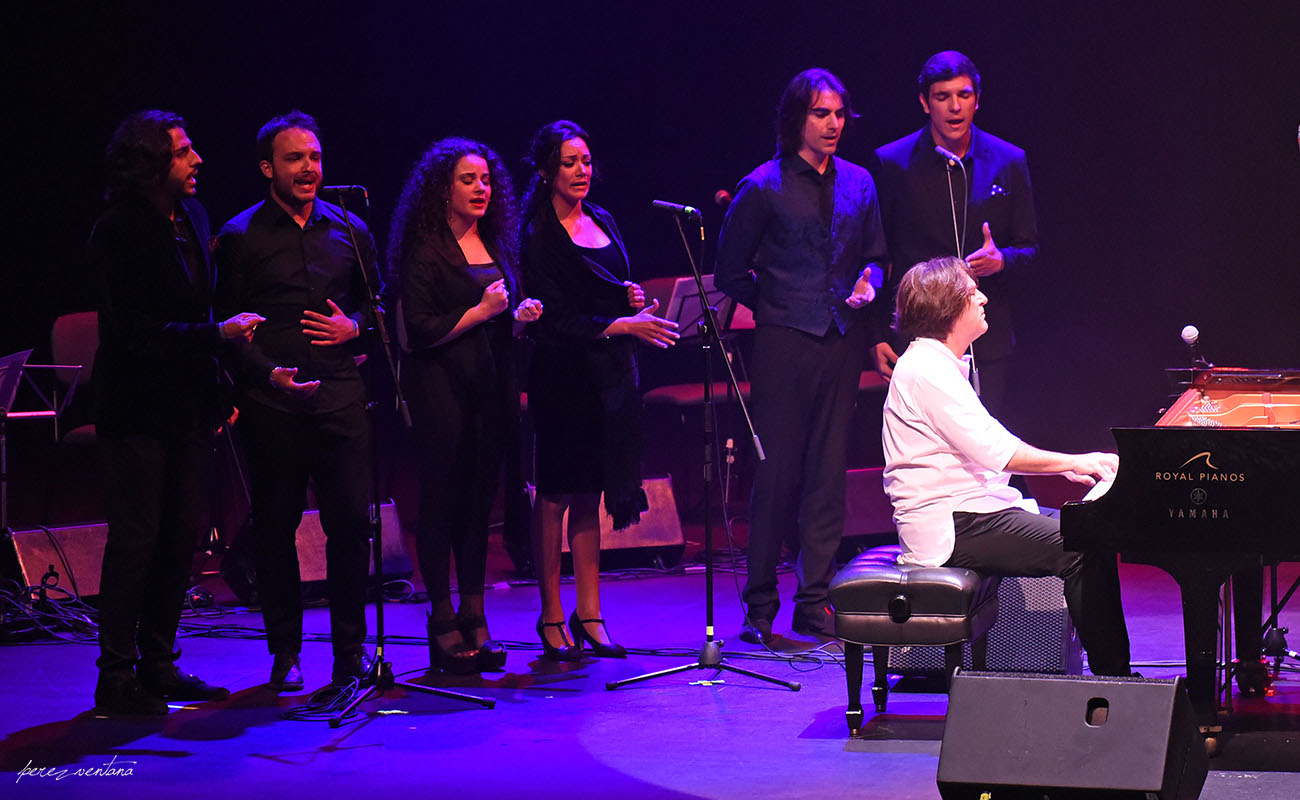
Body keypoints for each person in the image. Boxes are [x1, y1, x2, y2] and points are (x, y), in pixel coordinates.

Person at [882, 256, 1131, 676]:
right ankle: (1115, 681)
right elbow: (997, 451)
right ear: (946, 305)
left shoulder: (937, 365)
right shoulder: (927, 371)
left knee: (1092, 534)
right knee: (1082, 547)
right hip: (952, 524)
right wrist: (1074, 462)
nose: (982, 297)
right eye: (970, 291)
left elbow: (992, 446)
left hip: (972, 512)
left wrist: (1065, 468)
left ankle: (1115, 674)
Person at [90, 110, 262, 714]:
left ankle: (159, 664)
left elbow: (201, 304)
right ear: (151, 164)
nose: (198, 161)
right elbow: (134, 333)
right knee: (137, 539)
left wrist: (219, 389)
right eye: (184, 151)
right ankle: (115, 674)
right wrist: (217, 336)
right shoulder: (119, 229)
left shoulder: (191, 217)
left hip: (188, 407)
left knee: (179, 537)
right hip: (137, 409)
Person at [715, 69, 886, 643]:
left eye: (839, 113)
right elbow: (730, 272)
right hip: (784, 343)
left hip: (840, 341)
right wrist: (778, 304)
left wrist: (869, 281)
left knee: (827, 475)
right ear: (797, 120)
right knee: (778, 471)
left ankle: (814, 599)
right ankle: (760, 603)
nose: (833, 123)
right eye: (821, 113)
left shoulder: (860, 182)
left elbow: (877, 255)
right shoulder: (763, 185)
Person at [215, 111, 379, 690]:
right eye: (294, 158)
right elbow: (225, 330)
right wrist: (268, 376)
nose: (308, 167)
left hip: (340, 396)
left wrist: (354, 328)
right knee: (276, 529)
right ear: (267, 168)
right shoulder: (238, 237)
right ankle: (286, 652)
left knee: (350, 528)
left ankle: (349, 655)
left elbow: (376, 307)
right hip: (273, 405)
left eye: (314, 156)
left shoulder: (351, 230)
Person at [520, 120, 678, 660]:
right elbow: (555, 320)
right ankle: (551, 614)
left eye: (586, 161)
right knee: (557, 494)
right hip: (563, 376)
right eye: (569, 162)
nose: (581, 171)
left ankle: (591, 613)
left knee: (590, 492)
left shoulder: (602, 219)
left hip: (608, 381)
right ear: (546, 172)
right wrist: (622, 325)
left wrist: (629, 298)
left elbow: (608, 288)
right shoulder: (540, 236)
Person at [389, 137, 542, 673]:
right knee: (443, 504)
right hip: (440, 391)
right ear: (443, 188)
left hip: (489, 389)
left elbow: (497, 321)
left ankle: (476, 614)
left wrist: (517, 318)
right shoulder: (426, 249)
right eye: (468, 179)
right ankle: (441, 619)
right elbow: (419, 332)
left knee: (479, 506)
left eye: (486, 180)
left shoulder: (495, 244)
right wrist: (482, 312)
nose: (482, 188)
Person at [869, 50, 1038, 419]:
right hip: (919, 335)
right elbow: (879, 256)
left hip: (986, 335)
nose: (955, 107)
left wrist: (1002, 260)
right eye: (942, 97)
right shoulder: (892, 163)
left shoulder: (1008, 160)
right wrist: (878, 334)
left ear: (978, 99)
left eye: (963, 95)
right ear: (924, 103)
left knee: (990, 451)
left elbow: (1030, 248)